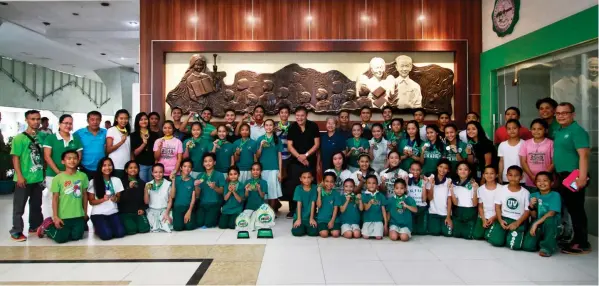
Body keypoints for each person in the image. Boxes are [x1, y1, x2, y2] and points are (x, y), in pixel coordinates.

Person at [553, 102, 591, 254]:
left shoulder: (577, 131)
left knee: (576, 210)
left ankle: (582, 243)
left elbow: (584, 155)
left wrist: (582, 177)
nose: (561, 116)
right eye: (558, 113)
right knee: (569, 208)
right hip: (563, 176)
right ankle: (574, 239)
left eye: (565, 113)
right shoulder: (560, 131)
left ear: (573, 114)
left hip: (574, 176)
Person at [36, 150, 88, 243]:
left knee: (77, 237)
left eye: (75, 158)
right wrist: (55, 216)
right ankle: (47, 226)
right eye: (69, 158)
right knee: (61, 238)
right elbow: (55, 198)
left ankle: (68, 230)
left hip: (78, 214)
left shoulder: (83, 176)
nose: (72, 161)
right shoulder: (58, 178)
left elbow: (85, 195)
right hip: (63, 215)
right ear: (63, 161)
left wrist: (85, 212)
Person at [10, 110, 46, 242]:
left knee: (37, 205)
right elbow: (15, 158)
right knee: (19, 207)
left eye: (38, 119)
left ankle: (35, 226)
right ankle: (16, 231)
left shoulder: (42, 136)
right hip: (23, 179)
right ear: (27, 120)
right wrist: (19, 176)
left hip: (37, 178)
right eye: (33, 119)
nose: (36, 122)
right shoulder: (19, 138)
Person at [42, 114, 83, 219]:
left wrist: (69, 172)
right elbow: (47, 156)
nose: (68, 125)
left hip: (71, 175)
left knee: (69, 198)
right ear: (59, 124)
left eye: (70, 123)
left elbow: (79, 157)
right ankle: (52, 221)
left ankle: (67, 220)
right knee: (53, 198)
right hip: (53, 175)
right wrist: (59, 172)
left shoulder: (76, 139)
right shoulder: (51, 138)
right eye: (65, 123)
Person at [286, 106, 320, 218]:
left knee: (310, 184)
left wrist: (305, 156)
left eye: (302, 115)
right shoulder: (292, 127)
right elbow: (289, 145)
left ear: (306, 116)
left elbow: (316, 144)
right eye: (297, 115)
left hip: (310, 160)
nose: (299, 118)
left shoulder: (313, 126)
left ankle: (311, 209)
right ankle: (293, 209)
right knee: (294, 185)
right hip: (295, 161)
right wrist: (299, 157)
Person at [487, 166, 530, 250]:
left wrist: (517, 223)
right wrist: (500, 220)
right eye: (510, 175)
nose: (513, 178)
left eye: (516, 175)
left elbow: (527, 211)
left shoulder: (525, 193)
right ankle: (502, 232)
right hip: (504, 219)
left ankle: (516, 233)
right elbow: (498, 206)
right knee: (496, 242)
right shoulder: (502, 189)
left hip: (517, 220)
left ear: (521, 177)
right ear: (506, 176)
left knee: (514, 246)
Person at [522, 172, 561, 257]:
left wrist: (535, 224)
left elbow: (552, 213)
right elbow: (533, 216)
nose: (542, 183)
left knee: (549, 220)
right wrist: (531, 206)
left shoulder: (555, 195)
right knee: (527, 247)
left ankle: (547, 247)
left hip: (552, 224)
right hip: (539, 223)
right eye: (539, 181)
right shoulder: (533, 195)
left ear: (552, 182)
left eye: (545, 180)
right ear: (535, 183)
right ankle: (541, 240)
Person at [87, 157, 126, 240]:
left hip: (113, 212)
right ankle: (98, 227)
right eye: (104, 165)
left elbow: (119, 198)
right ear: (100, 167)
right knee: (107, 236)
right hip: (98, 214)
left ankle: (106, 225)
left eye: (109, 165)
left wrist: (115, 198)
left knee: (120, 233)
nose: (107, 168)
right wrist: (102, 199)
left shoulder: (117, 180)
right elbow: (91, 202)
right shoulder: (93, 181)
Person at [117, 161, 150, 235]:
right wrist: (128, 188)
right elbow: (120, 200)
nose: (133, 169)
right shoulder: (121, 182)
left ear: (138, 169)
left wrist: (142, 209)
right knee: (131, 230)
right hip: (125, 213)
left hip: (137, 212)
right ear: (126, 170)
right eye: (130, 168)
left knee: (144, 228)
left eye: (135, 168)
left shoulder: (142, 183)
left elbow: (145, 200)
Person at [519, 119, 553, 188]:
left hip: (546, 180)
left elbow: (554, 162)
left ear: (545, 130)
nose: (536, 131)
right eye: (534, 129)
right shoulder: (526, 143)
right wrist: (531, 176)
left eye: (539, 129)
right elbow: (523, 162)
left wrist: (544, 176)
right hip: (530, 179)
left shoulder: (550, 143)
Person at [256, 120, 282, 210]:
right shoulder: (260, 139)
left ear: (273, 127)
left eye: (270, 125)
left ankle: (272, 211)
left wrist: (280, 172)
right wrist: (260, 146)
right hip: (263, 169)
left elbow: (279, 157)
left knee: (273, 191)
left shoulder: (277, 139)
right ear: (264, 127)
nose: (268, 127)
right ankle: (264, 211)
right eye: (266, 125)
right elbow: (257, 155)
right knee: (264, 190)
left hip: (274, 168)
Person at [450, 162, 479, 240]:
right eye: (460, 169)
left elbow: (475, 203)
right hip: (458, 212)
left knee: (468, 236)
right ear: (457, 171)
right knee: (456, 235)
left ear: (469, 171)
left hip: (470, 212)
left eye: (465, 169)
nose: (463, 171)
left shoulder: (473, 184)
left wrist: (475, 190)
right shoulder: (454, 184)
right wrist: (451, 190)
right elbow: (455, 203)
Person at [196, 153, 225, 228]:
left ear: (214, 162)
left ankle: (219, 214)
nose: (207, 163)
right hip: (203, 204)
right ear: (203, 163)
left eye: (210, 161)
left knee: (209, 224)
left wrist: (215, 187)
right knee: (199, 223)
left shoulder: (220, 175)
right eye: (205, 161)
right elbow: (197, 195)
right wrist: (196, 186)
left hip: (215, 203)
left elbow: (222, 191)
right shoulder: (199, 176)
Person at [74, 111, 106, 179]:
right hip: (84, 168)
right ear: (87, 120)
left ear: (100, 120)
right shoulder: (79, 133)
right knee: (85, 189)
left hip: (102, 168)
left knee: (100, 189)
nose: (95, 122)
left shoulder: (106, 132)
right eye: (92, 119)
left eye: (97, 119)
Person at [171, 159, 199, 231]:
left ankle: (192, 217)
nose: (187, 168)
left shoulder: (193, 181)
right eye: (185, 166)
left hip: (188, 207)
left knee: (189, 227)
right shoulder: (176, 179)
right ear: (181, 168)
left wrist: (189, 211)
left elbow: (194, 197)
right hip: (177, 207)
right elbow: (172, 196)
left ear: (191, 169)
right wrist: (173, 181)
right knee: (178, 228)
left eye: (189, 167)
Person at [131, 112, 159, 182]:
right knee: (142, 186)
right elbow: (135, 153)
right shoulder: (133, 135)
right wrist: (143, 144)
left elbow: (156, 151)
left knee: (151, 186)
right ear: (138, 122)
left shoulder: (154, 135)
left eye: (145, 119)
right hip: (140, 165)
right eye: (141, 120)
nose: (144, 121)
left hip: (152, 165)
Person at [427, 160, 453, 237]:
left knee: (448, 234)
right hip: (433, 212)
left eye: (445, 168)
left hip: (445, 213)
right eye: (441, 167)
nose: (442, 170)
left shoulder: (449, 181)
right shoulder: (431, 179)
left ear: (448, 170)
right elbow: (429, 198)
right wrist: (432, 185)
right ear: (437, 167)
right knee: (435, 232)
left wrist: (448, 217)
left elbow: (449, 200)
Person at [144, 163, 172, 233]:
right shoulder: (149, 184)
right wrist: (146, 191)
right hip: (152, 211)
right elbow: (146, 202)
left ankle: (163, 221)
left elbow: (170, 200)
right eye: (155, 172)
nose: (158, 174)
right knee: (154, 228)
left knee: (167, 226)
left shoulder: (167, 183)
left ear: (163, 172)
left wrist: (167, 213)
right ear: (152, 173)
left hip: (164, 210)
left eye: (160, 172)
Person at [473, 165, 498, 240]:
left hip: (496, 217)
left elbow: (502, 207)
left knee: (489, 237)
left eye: (492, 173)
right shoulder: (480, 189)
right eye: (486, 173)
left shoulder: (501, 189)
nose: (489, 175)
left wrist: (494, 217)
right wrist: (483, 219)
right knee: (477, 236)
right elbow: (480, 206)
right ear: (483, 175)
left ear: (496, 175)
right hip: (483, 216)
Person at [291, 170, 318, 237]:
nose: (307, 180)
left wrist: (311, 218)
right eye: (304, 177)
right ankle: (302, 227)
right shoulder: (298, 188)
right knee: (297, 232)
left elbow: (313, 203)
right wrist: (298, 219)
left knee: (313, 233)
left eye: (309, 177)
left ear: (312, 178)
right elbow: (299, 204)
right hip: (300, 216)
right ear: (300, 179)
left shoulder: (314, 188)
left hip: (310, 216)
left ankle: (306, 227)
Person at [497, 119, 525, 184]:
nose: (512, 130)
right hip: (506, 178)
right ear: (506, 130)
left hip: (521, 178)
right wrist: (500, 175)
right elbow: (501, 161)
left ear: (519, 128)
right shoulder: (502, 145)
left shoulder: (524, 144)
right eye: (509, 129)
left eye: (514, 128)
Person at [106, 109, 131, 178]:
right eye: (121, 118)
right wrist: (121, 142)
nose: (124, 120)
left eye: (126, 118)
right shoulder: (111, 130)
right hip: (116, 165)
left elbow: (129, 150)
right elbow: (108, 149)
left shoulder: (127, 131)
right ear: (116, 119)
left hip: (127, 166)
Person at [407, 161, 430, 235]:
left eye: (417, 170)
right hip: (410, 208)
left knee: (421, 232)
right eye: (413, 169)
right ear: (409, 170)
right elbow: (405, 196)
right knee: (411, 231)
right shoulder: (407, 180)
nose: (415, 172)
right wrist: (405, 182)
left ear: (421, 171)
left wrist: (424, 185)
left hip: (421, 208)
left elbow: (424, 199)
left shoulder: (424, 181)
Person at [316, 172, 342, 238]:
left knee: (335, 234)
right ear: (323, 182)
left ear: (334, 183)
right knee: (324, 234)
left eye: (331, 182)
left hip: (334, 219)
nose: (329, 184)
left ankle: (331, 230)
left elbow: (336, 208)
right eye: (326, 181)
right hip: (322, 219)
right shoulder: (320, 192)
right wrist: (319, 193)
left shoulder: (336, 193)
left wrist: (332, 221)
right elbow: (319, 206)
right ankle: (326, 230)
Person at [276, 105, 292, 212]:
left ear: (289, 114)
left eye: (286, 112)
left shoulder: (293, 127)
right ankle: (275, 205)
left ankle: (292, 208)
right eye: (282, 112)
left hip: (290, 157)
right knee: (277, 181)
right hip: (278, 157)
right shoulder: (275, 127)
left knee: (290, 182)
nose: (284, 114)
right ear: (279, 114)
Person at [361, 175, 387, 240]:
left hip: (378, 221)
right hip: (367, 220)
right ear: (366, 185)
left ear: (377, 185)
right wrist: (370, 203)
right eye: (369, 183)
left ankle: (377, 231)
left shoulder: (380, 195)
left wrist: (385, 224)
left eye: (374, 183)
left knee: (378, 237)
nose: (371, 185)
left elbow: (383, 210)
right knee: (365, 237)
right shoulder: (364, 195)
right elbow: (365, 208)